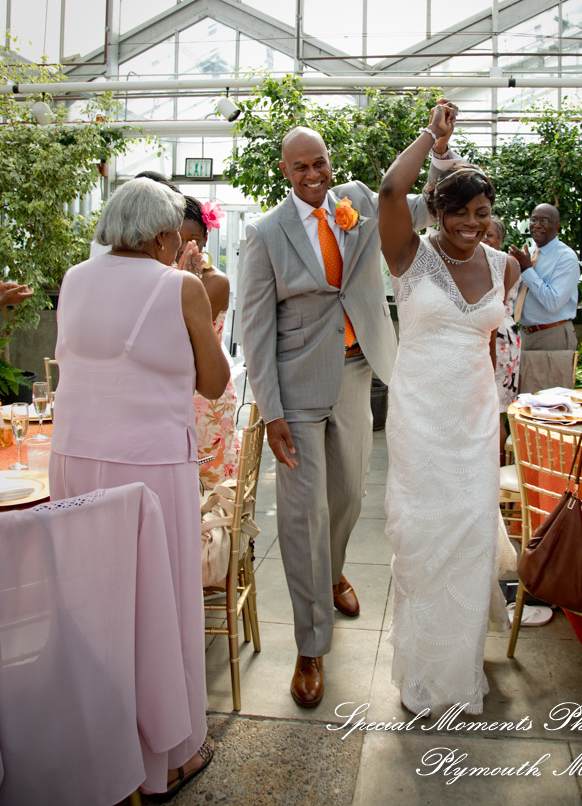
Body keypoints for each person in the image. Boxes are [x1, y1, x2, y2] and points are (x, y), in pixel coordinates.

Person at [240, 107, 459, 708]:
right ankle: (311, 645)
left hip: (360, 371)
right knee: (301, 514)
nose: (314, 174)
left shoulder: (360, 198)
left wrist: (437, 145)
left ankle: (332, 570)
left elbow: (425, 207)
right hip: (297, 387)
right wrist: (271, 410)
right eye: (301, 167)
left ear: (329, 162)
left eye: (321, 163)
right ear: (285, 171)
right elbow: (254, 329)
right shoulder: (265, 234)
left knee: (350, 496)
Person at [49, 178, 230, 796]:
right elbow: (214, 381)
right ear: (161, 237)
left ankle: (101, 742)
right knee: (158, 602)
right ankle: (169, 757)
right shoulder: (179, 286)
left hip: (74, 458)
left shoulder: (74, 280)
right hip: (148, 470)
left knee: (90, 603)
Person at [378, 103, 520, 715]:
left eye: (481, 213)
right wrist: (433, 140)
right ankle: (422, 668)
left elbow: (496, 344)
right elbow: (389, 188)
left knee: (469, 535)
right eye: (458, 212)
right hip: (420, 418)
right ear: (435, 211)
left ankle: (459, 668)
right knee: (423, 535)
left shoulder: (506, 266)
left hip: (473, 419)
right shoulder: (409, 255)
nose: (471, 223)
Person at [178, 195, 240, 489]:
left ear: (205, 239)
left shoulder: (216, 282)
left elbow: (181, 334)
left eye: (193, 238)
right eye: (177, 239)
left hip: (206, 398)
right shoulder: (159, 278)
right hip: (171, 395)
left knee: (210, 488)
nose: (187, 247)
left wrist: (182, 279)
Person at [508, 203, 579, 393]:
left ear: (557, 226)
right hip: (524, 335)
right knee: (523, 400)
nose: (537, 225)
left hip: (551, 335)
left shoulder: (566, 258)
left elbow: (553, 302)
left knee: (550, 402)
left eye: (545, 221)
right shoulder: (528, 253)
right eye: (534, 219)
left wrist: (527, 270)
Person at [486, 217, 521, 457]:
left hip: (500, 339)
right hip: (491, 334)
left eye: (490, 235)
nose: (484, 239)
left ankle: (495, 478)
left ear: (501, 240)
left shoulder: (506, 263)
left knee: (495, 410)